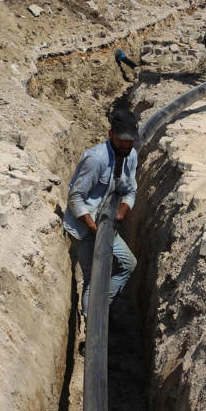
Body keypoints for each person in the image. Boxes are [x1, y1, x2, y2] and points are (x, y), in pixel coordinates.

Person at [63, 107, 139, 318]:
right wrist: (93, 226)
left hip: (106, 223)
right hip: (84, 227)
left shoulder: (131, 155)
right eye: (122, 140)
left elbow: (130, 190)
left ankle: (102, 312)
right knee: (92, 278)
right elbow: (75, 197)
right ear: (110, 134)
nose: (126, 145)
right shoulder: (96, 159)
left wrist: (122, 212)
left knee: (128, 264)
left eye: (130, 140)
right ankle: (91, 323)